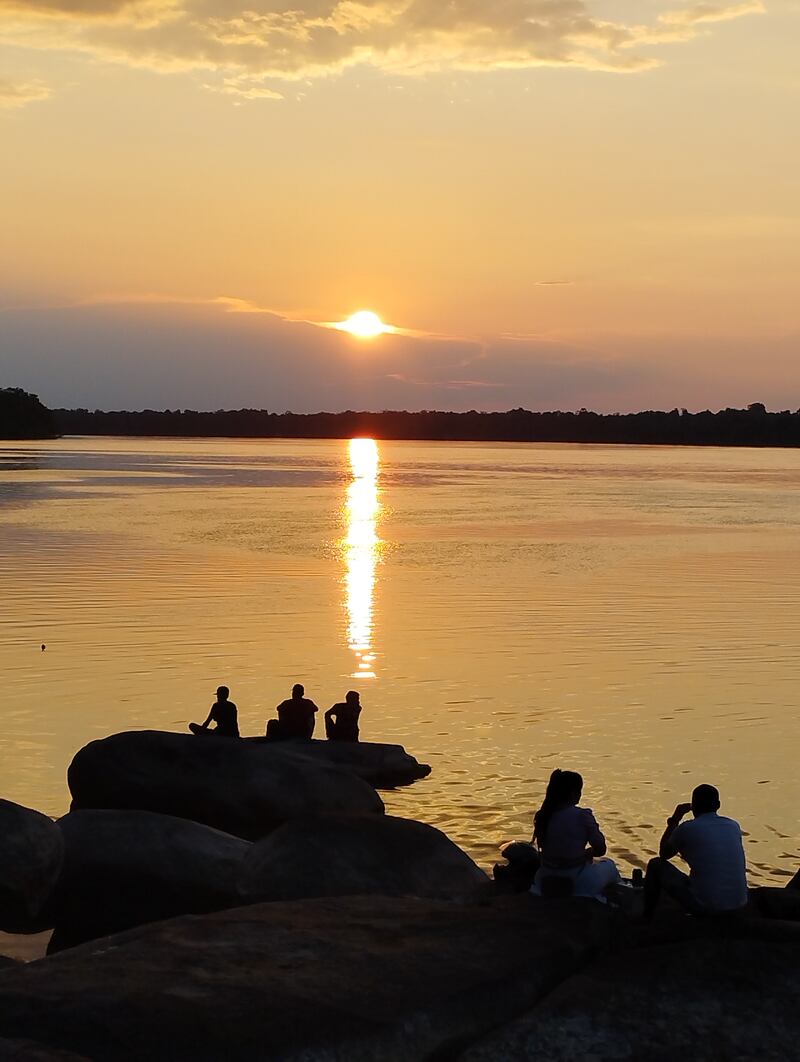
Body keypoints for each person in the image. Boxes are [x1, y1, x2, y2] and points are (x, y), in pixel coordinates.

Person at [643, 784, 747, 919]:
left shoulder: (687, 828)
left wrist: (675, 819)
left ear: (693, 806)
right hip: (739, 905)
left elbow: (664, 854)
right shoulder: (733, 825)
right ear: (718, 805)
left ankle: (647, 916)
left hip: (706, 907)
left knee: (655, 864)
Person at [530, 769, 619, 900]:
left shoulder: (543, 816)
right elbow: (601, 849)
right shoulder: (582, 816)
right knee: (609, 865)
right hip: (578, 881)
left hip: (544, 878)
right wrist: (588, 853)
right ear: (573, 793)